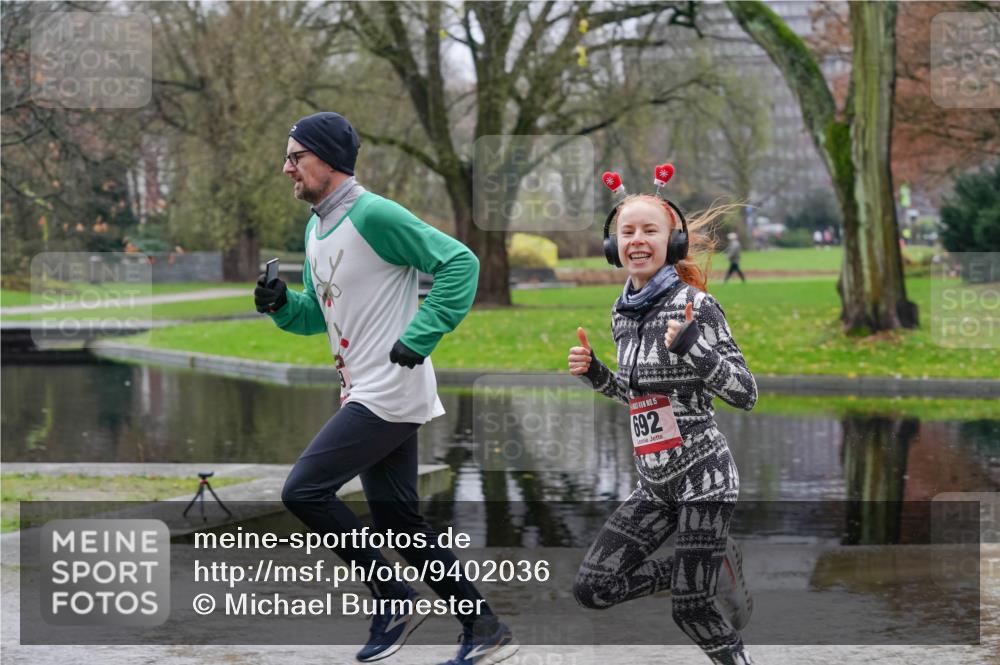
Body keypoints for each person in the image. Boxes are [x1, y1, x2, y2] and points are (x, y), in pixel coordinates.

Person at [255, 111, 517, 665]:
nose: (286, 168)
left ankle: (394, 596)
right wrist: (282, 305)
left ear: (328, 159)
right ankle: (485, 628)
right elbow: (320, 315)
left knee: (303, 491)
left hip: (390, 387)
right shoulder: (316, 229)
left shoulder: (374, 214)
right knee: (400, 523)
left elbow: (460, 263)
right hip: (363, 389)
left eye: (296, 157)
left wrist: (420, 335)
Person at [567, 192, 757, 665]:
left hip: (705, 480)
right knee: (594, 588)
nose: (637, 239)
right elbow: (639, 397)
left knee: (691, 609)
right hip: (655, 485)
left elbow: (745, 393)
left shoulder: (697, 306)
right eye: (627, 231)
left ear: (672, 241)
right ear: (613, 245)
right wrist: (596, 374)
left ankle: (708, 587)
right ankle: (712, 565)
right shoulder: (622, 313)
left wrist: (696, 349)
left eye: (649, 230)